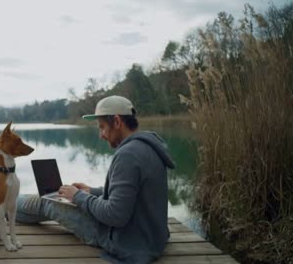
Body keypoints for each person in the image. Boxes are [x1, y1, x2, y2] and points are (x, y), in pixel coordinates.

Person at [16, 95, 175, 264]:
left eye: (102, 127)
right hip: (149, 238)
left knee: (47, 202)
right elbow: (132, 192)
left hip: (125, 242)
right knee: (52, 198)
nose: (101, 135)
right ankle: (6, 209)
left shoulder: (128, 155)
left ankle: (3, 205)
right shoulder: (148, 146)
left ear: (117, 121)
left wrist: (78, 197)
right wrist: (91, 191)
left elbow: (115, 215)